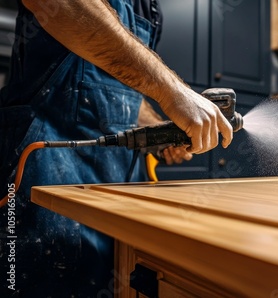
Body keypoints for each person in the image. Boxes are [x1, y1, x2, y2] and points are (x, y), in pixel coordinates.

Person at [0, 0, 233, 296]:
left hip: (116, 180)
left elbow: (120, 90)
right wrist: (172, 90)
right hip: (46, 164)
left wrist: (157, 131)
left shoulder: (148, 8)